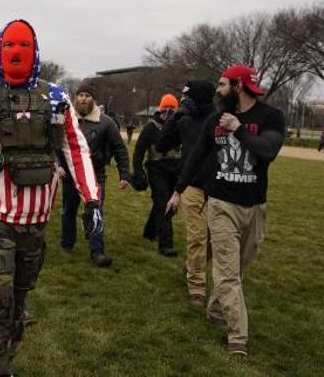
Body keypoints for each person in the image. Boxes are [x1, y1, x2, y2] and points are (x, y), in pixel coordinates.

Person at [0, 19, 101, 376]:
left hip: (34, 221)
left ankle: (4, 363)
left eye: (23, 46)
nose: (15, 53)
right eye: (9, 46)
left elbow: (76, 149)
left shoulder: (56, 98)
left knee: (18, 301)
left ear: (35, 51)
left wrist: (91, 199)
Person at [166, 64, 285, 356]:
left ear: (239, 86)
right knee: (227, 273)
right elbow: (196, 157)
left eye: (222, 84)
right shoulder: (214, 120)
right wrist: (178, 190)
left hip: (254, 206)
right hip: (220, 205)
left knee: (237, 269)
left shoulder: (271, 117)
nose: (218, 90)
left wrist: (239, 130)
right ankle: (238, 338)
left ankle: (217, 308)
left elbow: (267, 151)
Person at [156, 80, 216, 308]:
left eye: (187, 97)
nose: (183, 101)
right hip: (191, 186)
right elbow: (162, 145)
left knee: (215, 238)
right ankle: (197, 287)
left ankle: (193, 266)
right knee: (197, 237)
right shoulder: (184, 121)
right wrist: (174, 119)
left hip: (218, 188)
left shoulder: (218, 120)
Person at [60, 81, 131, 267]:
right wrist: (58, 165)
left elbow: (120, 149)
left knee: (95, 212)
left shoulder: (106, 123)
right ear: (76, 98)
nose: (83, 99)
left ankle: (97, 251)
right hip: (71, 175)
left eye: (87, 96)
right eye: (80, 95)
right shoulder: (67, 120)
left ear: (93, 99)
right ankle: (67, 244)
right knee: (68, 210)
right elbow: (57, 146)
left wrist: (124, 174)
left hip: (96, 176)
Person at [132, 94, 182, 257]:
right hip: (156, 170)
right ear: (160, 108)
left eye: (172, 108)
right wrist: (139, 173)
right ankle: (166, 244)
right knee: (163, 205)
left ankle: (149, 232)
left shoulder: (179, 126)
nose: (168, 111)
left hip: (175, 171)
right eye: (166, 108)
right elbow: (138, 152)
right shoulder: (150, 127)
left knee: (168, 206)